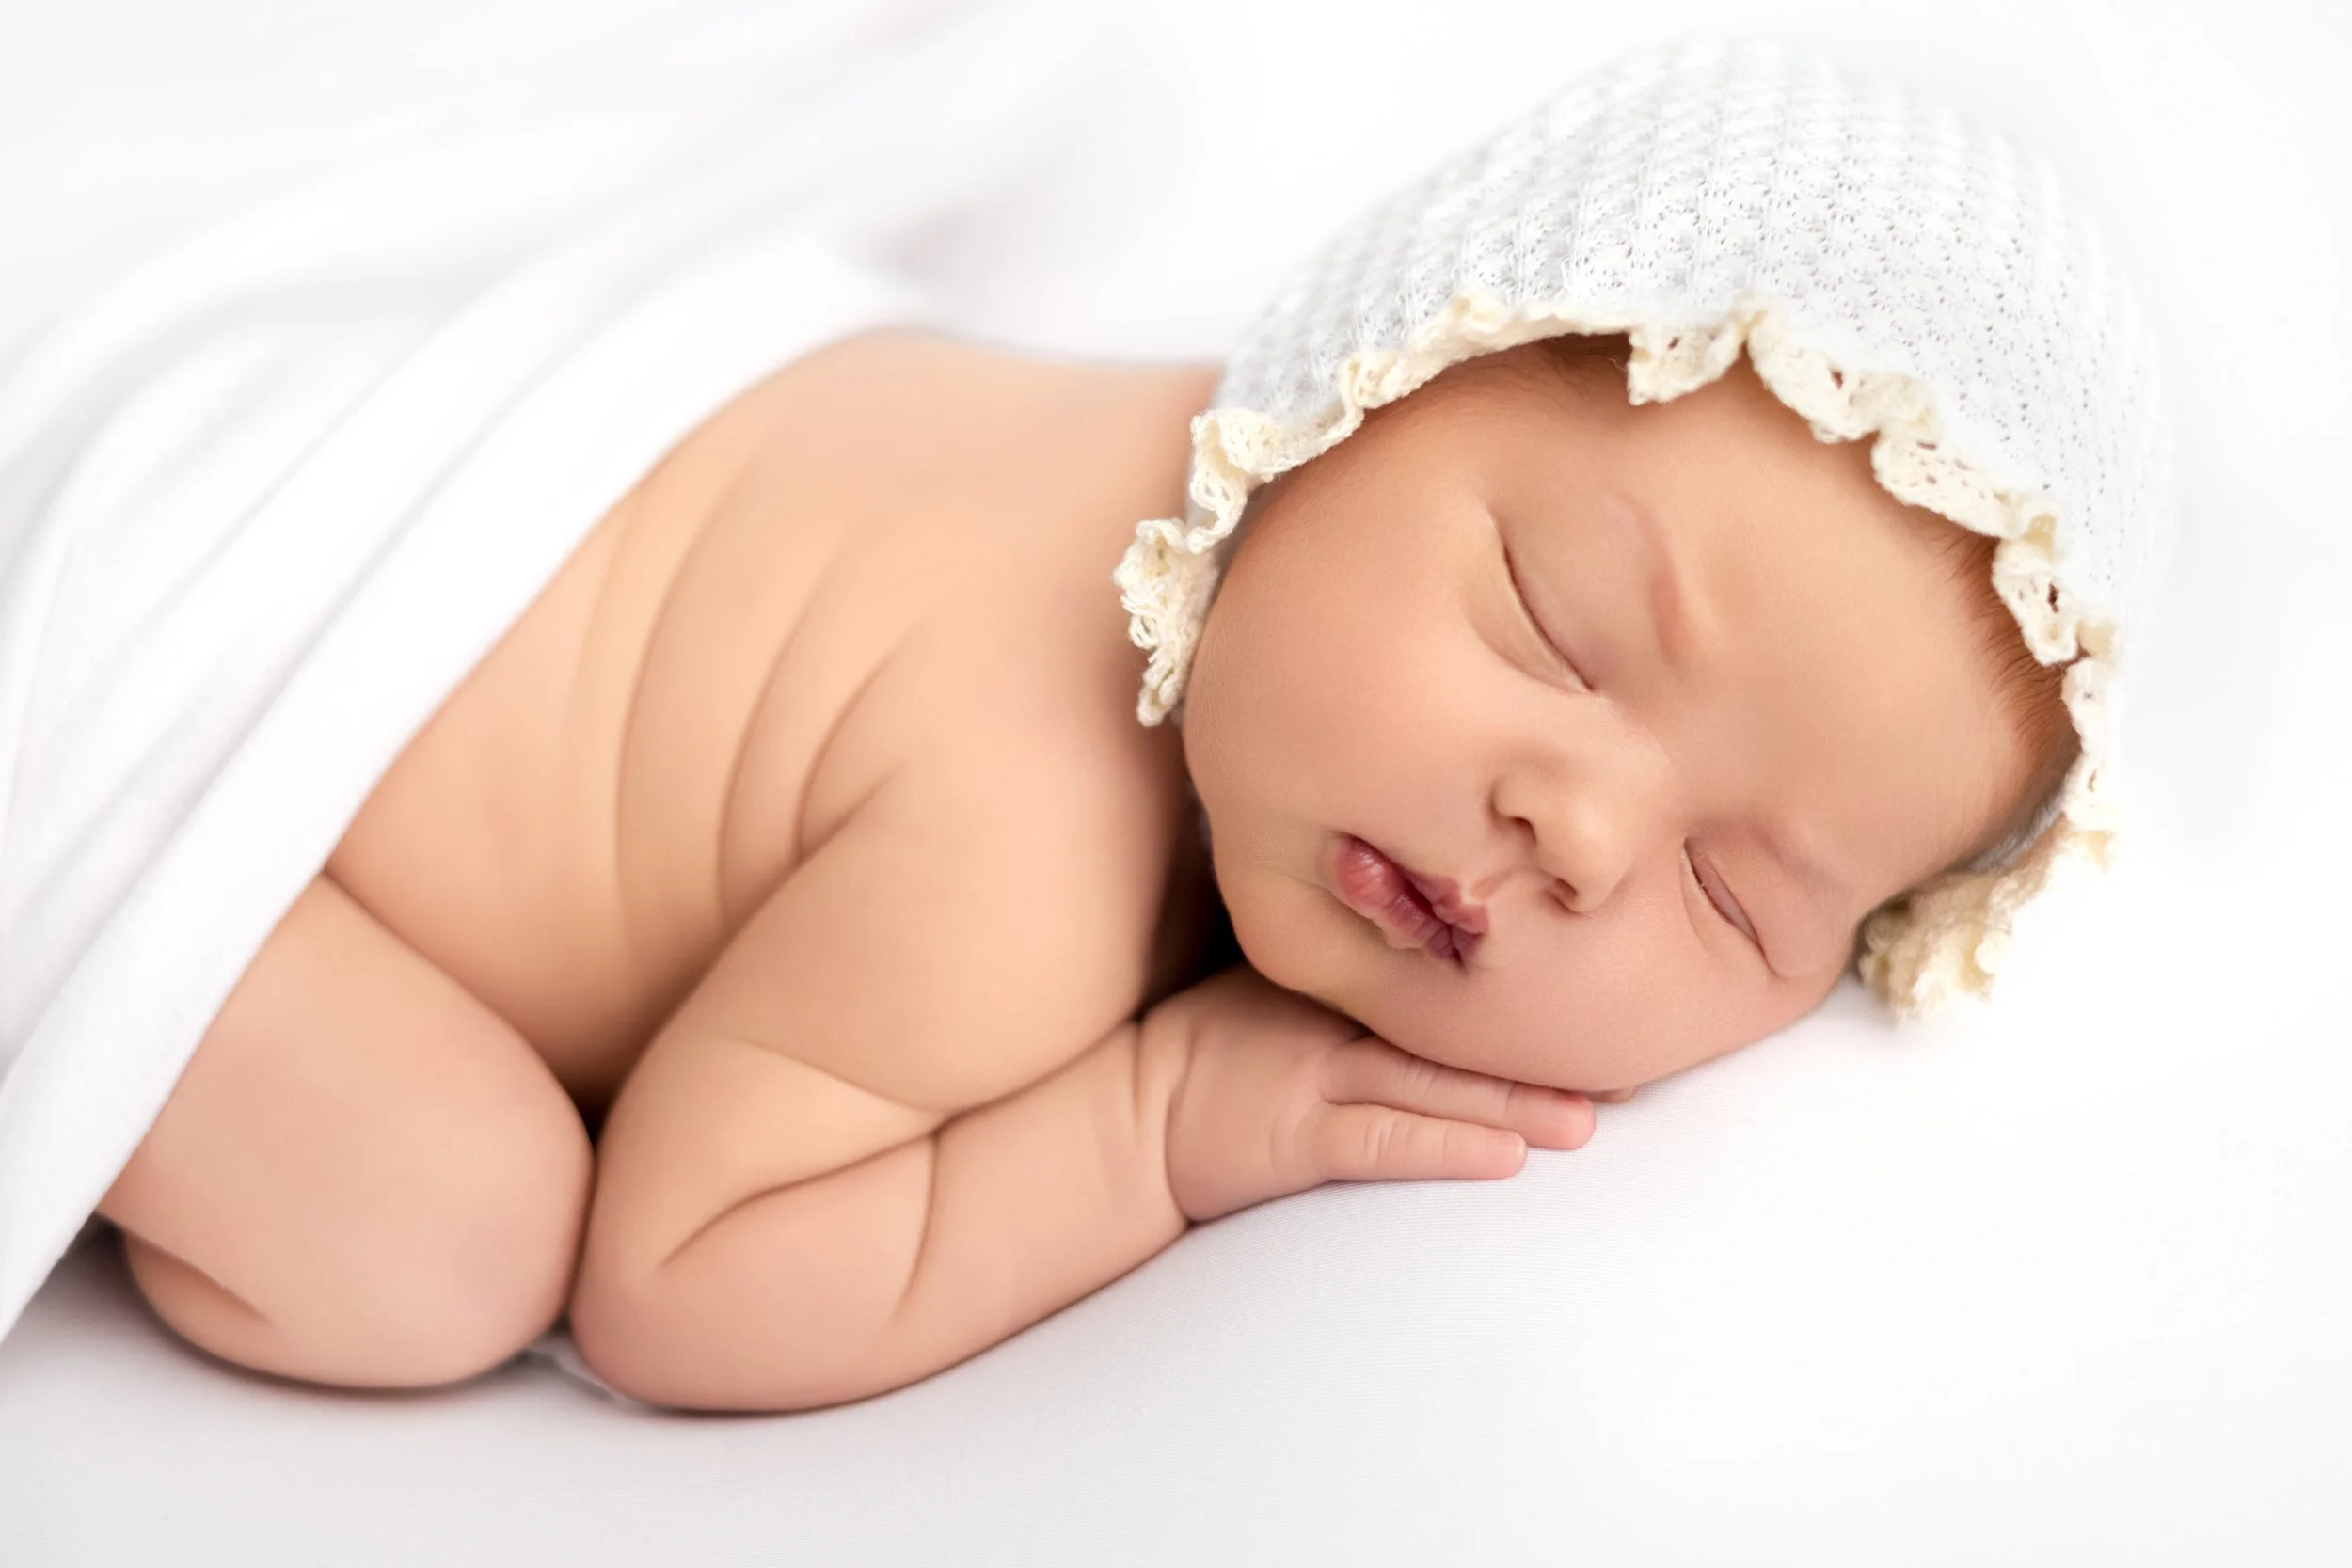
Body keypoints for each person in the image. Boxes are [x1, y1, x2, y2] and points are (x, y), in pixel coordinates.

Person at [61, 40, 2176, 1408]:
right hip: (205, 656)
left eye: (1736, 896)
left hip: (352, 442)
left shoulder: (1243, 516)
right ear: (1359, 378)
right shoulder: (1031, 833)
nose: (1576, 835)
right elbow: (684, 1279)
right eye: (1552, 625)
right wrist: (1149, 1128)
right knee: (446, 1238)